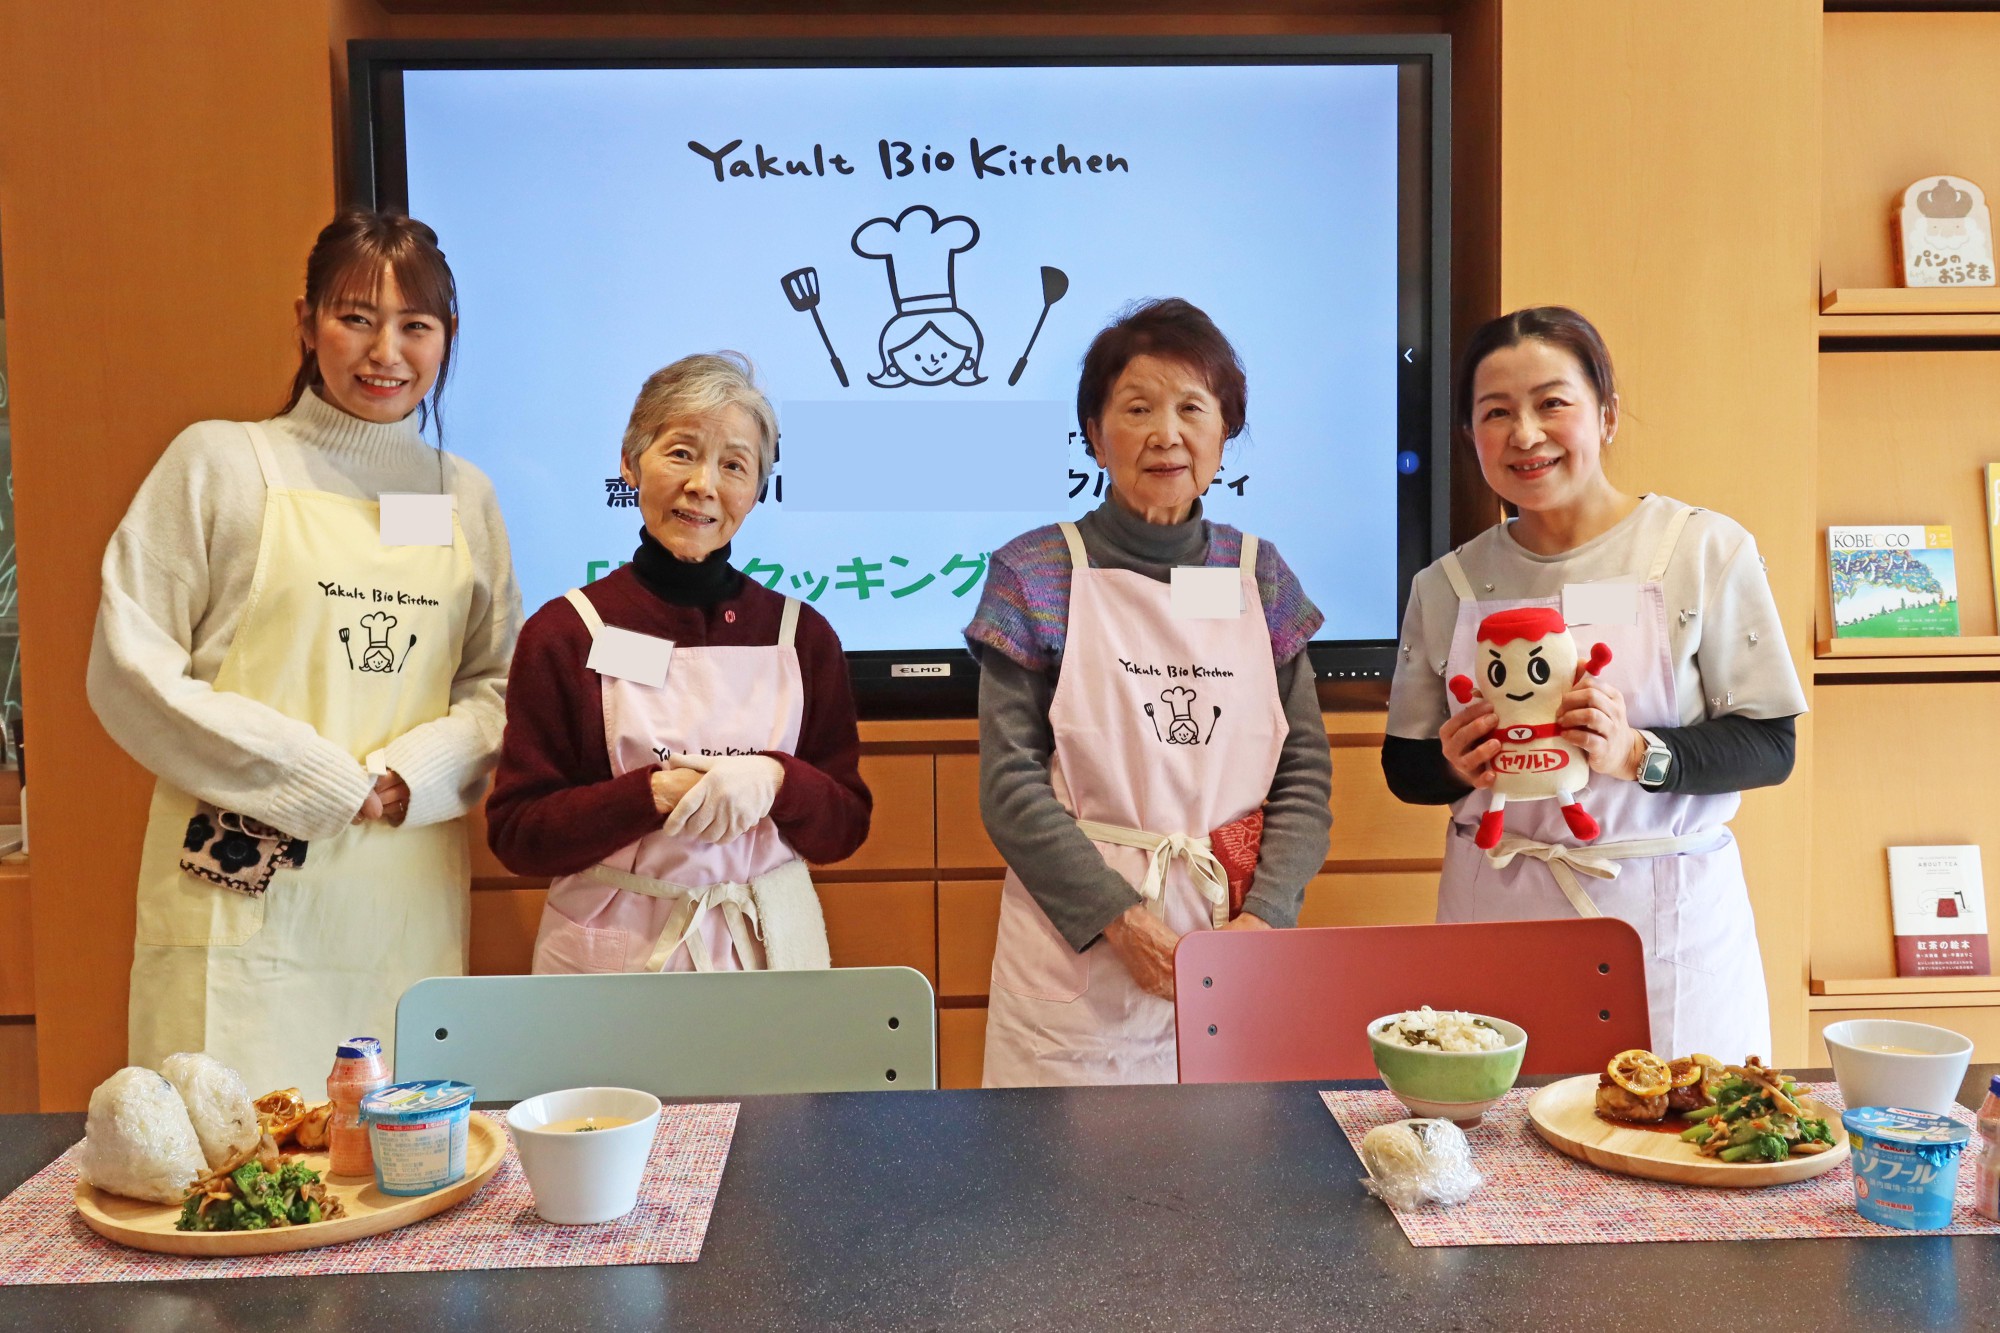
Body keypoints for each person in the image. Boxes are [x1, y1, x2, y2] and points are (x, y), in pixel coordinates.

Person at [88, 210, 521, 1092]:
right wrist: (311, 775)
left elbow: (498, 684)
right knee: (228, 1154)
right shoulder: (219, 463)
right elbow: (129, 670)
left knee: (398, 1151)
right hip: (237, 889)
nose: (384, 352)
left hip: (400, 891)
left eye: (415, 325)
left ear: (447, 336)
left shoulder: (463, 496)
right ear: (306, 322)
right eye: (356, 318)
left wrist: (418, 772)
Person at [1382, 306, 1806, 1060]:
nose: (1525, 434)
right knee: (1501, 1131)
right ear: (1470, 435)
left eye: (1552, 403)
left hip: (1664, 925)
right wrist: (1456, 763)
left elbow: (1770, 743)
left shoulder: (1700, 550)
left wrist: (1637, 751)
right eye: (1496, 413)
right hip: (1497, 913)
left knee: (1679, 1121)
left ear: (1607, 414)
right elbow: (1406, 765)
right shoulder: (1446, 584)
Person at [966, 298, 1333, 1087]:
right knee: (1061, 1163)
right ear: (1096, 434)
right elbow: (1009, 786)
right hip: (1077, 954)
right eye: (1137, 408)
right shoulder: (1035, 572)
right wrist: (1119, 919)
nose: (1166, 433)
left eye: (1191, 408)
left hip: (1232, 942)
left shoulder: (1262, 575)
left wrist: (1266, 918)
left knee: (1229, 1157)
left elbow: (1304, 772)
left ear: (1225, 431)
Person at [488, 352, 870, 974]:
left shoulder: (801, 636)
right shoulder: (566, 633)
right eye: (681, 453)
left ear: (757, 488)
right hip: (612, 962)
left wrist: (776, 781)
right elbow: (519, 835)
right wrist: (653, 794)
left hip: (766, 952)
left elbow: (845, 827)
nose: (703, 485)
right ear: (630, 462)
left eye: (734, 465)